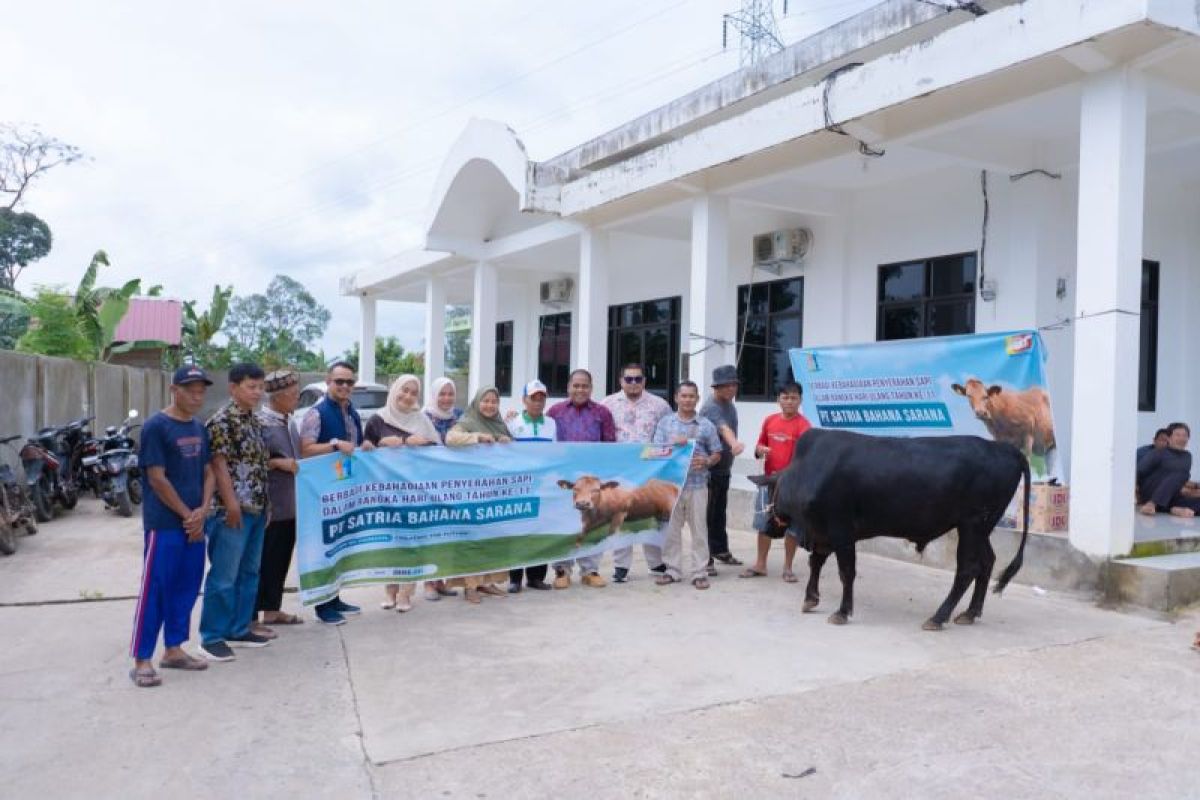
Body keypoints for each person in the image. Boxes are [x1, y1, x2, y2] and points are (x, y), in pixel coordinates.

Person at [128, 365, 216, 687]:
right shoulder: (155, 427)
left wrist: (203, 511)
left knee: (187, 587)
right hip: (165, 524)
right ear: (173, 390)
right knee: (156, 589)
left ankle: (174, 649)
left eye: (201, 389)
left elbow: (208, 471)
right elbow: (156, 478)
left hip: (194, 524)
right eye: (190, 388)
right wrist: (186, 515)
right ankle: (141, 658)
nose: (197, 394)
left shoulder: (198, 427)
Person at [198, 362, 273, 662]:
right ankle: (212, 636)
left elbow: (259, 467)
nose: (257, 392)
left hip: (256, 508)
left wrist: (267, 505)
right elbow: (218, 465)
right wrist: (230, 503)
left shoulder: (254, 421)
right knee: (224, 576)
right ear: (233, 388)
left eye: (260, 387)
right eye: (251, 387)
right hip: (230, 512)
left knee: (249, 573)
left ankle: (238, 628)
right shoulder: (221, 421)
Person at [299, 361, 374, 625]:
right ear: (328, 382)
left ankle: (334, 597)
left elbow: (353, 445)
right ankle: (323, 606)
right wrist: (333, 445)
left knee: (340, 546)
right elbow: (306, 449)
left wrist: (364, 444)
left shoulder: (352, 412)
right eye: (339, 381)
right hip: (323, 492)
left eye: (349, 382)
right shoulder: (316, 414)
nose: (344, 386)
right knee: (323, 547)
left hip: (345, 489)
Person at [365, 374, 443, 612]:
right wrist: (380, 445)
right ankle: (390, 591)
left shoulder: (422, 421)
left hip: (414, 493)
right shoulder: (378, 419)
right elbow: (364, 450)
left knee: (411, 543)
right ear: (395, 389)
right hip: (386, 493)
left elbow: (439, 451)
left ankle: (406, 595)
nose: (408, 396)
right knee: (389, 543)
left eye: (413, 392)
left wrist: (422, 443)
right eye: (404, 390)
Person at [602, 362, 671, 583]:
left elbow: (668, 432)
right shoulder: (608, 404)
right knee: (621, 516)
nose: (633, 383)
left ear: (644, 381)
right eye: (629, 379)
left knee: (652, 516)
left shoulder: (659, 405)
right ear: (621, 381)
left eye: (638, 379)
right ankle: (621, 565)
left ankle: (656, 562)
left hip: (651, 470)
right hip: (620, 471)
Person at [547, 369, 615, 589]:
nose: (580, 390)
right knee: (565, 524)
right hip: (566, 480)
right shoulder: (555, 412)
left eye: (584, 386)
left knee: (593, 525)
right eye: (576, 385)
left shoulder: (602, 413)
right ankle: (561, 570)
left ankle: (590, 570)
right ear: (568, 387)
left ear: (591, 388)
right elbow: (544, 444)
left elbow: (611, 446)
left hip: (593, 481)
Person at [445, 386, 514, 603]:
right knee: (471, 538)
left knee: (493, 538)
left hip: (495, 491)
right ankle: (470, 586)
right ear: (477, 402)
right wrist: (477, 437)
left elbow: (513, 451)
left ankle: (488, 582)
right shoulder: (467, 421)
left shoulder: (500, 424)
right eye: (485, 400)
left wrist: (506, 441)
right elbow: (450, 438)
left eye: (494, 401)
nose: (490, 405)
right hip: (471, 491)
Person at [653, 381, 722, 590]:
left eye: (692, 396)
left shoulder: (706, 425)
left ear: (697, 399)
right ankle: (672, 570)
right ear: (676, 398)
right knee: (671, 530)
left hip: (698, 484)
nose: (687, 400)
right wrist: (672, 445)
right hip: (671, 486)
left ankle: (699, 572)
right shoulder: (665, 424)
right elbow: (655, 451)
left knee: (699, 531)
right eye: (683, 396)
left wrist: (707, 461)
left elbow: (717, 453)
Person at [740, 382, 811, 582]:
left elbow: (808, 457)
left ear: (800, 400)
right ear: (778, 399)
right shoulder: (769, 420)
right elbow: (759, 445)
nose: (789, 401)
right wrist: (759, 450)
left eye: (794, 398)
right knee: (764, 524)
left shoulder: (804, 427)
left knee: (793, 527)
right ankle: (760, 565)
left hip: (793, 484)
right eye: (785, 397)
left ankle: (788, 568)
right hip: (768, 481)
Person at [255, 369, 305, 628]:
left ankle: (273, 610)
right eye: (294, 395)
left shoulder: (289, 421)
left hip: (290, 503)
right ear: (278, 397)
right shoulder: (261, 423)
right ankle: (253, 615)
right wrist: (278, 463)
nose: (297, 399)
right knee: (264, 560)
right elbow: (250, 461)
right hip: (270, 504)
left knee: (281, 558)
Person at [505, 379, 556, 592]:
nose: (537, 402)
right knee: (518, 531)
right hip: (519, 485)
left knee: (539, 531)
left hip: (542, 484)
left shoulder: (552, 423)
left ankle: (536, 577)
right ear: (524, 400)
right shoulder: (512, 423)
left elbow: (556, 453)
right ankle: (515, 578)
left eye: (541, 398)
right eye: (533, 398)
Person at [699, 364, 746, 575]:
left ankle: (720, 550)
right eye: (726, 386)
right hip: (709, 470)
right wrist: (734, 444)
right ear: (716, 387)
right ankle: (705, 558)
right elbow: (723, 428)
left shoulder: (730, 405)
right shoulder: (711, 407)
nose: (731, 390)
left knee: (719, 513)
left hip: (724, 468)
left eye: (734, 385)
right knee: (706, 515)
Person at [1137, 422, 1200, 517]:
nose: (1182, 438)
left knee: (1183, 477)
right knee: (1182, 474)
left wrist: (1194, 488)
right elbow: (1138, 472)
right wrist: (1135, 495)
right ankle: (1152, 504)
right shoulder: (1158, 453)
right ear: (1169, 438)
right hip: (1150, 493)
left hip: (1172, 495)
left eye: (1185, 435)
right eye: (1178, 435)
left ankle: (1172, 509)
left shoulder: (1188, 456)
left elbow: (1180, 482)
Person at [423, 376, 464, 444]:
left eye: (451, 394)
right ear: (434, 395)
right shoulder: (424, 418)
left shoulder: (460, 415)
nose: (447, 398)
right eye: (442, 394)